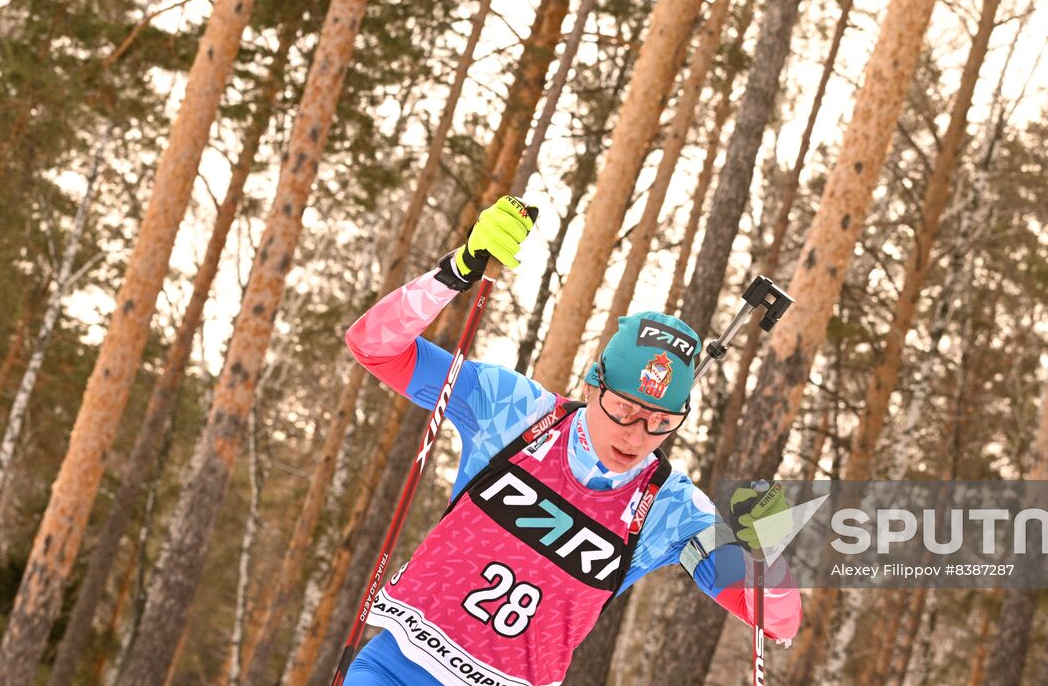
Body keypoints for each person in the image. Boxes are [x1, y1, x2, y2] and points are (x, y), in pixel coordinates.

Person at [342, 196, 801, 686]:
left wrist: (768, 560)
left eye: (660, 423)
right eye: (624, 410)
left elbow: (774, 620)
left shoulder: (672, 506)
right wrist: (458, 269)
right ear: (591, 385)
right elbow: (374, 347)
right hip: (397, 667)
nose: (636, 435)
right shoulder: (513, 410)